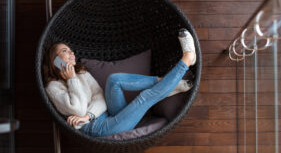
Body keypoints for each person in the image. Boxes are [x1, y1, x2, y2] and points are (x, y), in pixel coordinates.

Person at [43, 28, 196, 137]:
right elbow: (77, 109)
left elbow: (100, 97)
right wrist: (71, 80)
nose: (71, 53)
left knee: (114, 80)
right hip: (98, 128)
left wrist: (88, 115)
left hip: (105, 113)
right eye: (65, 51)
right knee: (144, 98)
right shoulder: (53, 87)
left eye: (71, 50)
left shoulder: (81, 73)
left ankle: (168, 82)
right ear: (54, 60)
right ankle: (187, 59)